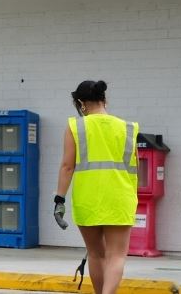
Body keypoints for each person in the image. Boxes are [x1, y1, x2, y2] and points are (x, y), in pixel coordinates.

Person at [53, 80, 138, 294]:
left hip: (87, 199)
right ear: (104, 100)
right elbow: (134, 167)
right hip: (120, 199)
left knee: (96, 254)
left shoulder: (76, 126)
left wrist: (59, 200)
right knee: (116, 256)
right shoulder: (128, 128)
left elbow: (67, 166)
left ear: (81, 103)